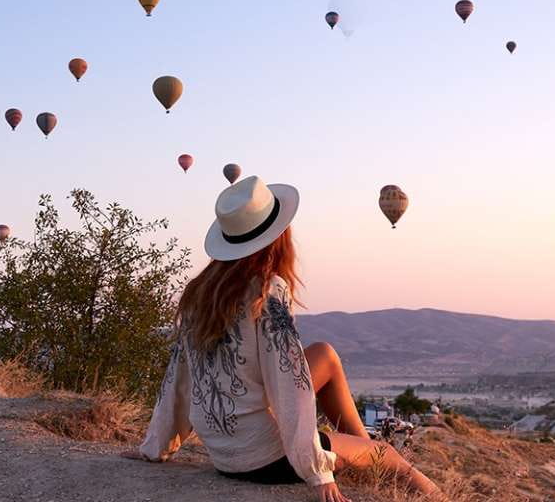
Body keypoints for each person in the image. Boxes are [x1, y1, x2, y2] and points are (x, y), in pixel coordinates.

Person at [123, 177, 442, 502]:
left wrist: (155, 446)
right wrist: (316, 470)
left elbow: (179, 378)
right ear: (277, 236)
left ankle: (365, 454)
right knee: (396, 461)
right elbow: (290, 381)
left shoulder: (199, 295)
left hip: (225, 453)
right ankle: (431, 490)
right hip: (267, 459)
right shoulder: (267, 291)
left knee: (324, 355)